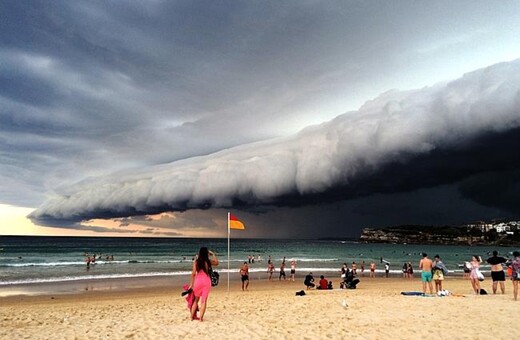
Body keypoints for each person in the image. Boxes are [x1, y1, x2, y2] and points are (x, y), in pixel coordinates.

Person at [188, 247, 219, 321]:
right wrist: (213, 254)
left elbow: (193, 274)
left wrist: (191, 284)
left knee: (196, 300)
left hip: (198, 282)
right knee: (204, 301)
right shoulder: (208, 261)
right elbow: (217, 262)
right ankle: (201, 318)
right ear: (206, 253)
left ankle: (191, 317)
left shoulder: (196, 262)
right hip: (206, 282)